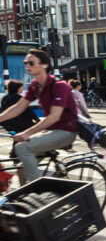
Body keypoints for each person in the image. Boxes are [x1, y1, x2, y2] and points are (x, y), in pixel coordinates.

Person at [0, 49, 78, 184]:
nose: (27, 65)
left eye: (31, 62)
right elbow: (19, 107)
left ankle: (37, 191)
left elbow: (54, 117)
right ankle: (26, 200)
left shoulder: (60, 86)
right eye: (25, 62)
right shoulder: (34, 85)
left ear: (45, 65)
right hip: (50, 131)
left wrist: (27, 133)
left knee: (22, 147)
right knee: (21, 170)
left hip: (65, 132)